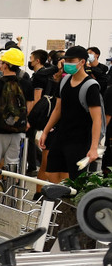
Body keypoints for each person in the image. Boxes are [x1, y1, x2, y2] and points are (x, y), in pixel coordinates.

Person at [40, 46, 104, 181]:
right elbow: (58, 109)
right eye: (66, 60)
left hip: (79, 140)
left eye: (71, 60)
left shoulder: (91, 86)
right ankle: (56, 201)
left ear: (82, 62)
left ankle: (65, 202)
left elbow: (97, 119)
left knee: (70, 180)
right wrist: (45, 131)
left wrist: (93, 148)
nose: (67, 63)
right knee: (51, 173)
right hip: (61, 135)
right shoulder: (64, 81)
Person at [0, 48, 33, 170]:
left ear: (6, 65)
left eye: (2, 63)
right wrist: (23, 119)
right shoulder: (26, 84)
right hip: (18, 130)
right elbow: (29, 105)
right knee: (12, 166)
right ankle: (11, 188)